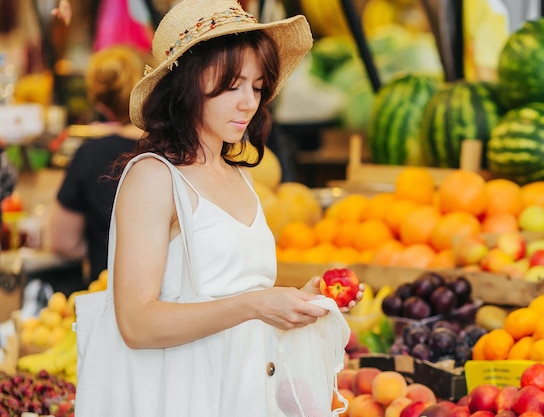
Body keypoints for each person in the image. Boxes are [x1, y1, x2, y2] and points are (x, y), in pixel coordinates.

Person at [80, 0, 361, 414]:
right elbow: (136, 324)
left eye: (257, 86)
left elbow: (237, 297)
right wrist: (255, 304)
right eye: (233, 85)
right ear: (188, 83)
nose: (249, 102)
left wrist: (302, 303)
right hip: (181, 400)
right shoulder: (155, 178)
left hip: (243, 395)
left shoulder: (239, 176)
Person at [48, 45, 147, 286]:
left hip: (108, 290)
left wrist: (97, 246)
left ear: (100, 102)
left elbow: (63, 241)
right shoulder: (173, 146)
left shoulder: (90, 153)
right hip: (171, 300)